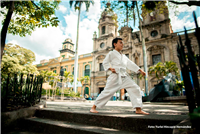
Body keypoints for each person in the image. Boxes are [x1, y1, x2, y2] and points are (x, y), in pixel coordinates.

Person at [90, 37, 149, 115]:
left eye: (122, 43)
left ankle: (138, 109)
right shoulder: (111, 53)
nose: (122, 44)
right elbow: (105, 62)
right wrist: (110, 68)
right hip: (115, 76)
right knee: (107, 92)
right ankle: (93, 107)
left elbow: (130, 64)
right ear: (115, 44)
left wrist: (140, 70)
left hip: (125, 76)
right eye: (120, 42)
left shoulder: (123, 56)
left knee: (135, 88)